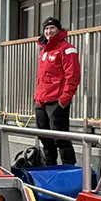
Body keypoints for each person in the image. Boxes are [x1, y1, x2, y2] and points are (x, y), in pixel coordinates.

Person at [33, 15, 81, 166]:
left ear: (59, 30)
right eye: (46, 29)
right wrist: (37, 98)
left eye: (52, 28)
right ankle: (50, 166)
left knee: (60, 137)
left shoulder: (67, 49)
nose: (49, 31)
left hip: (57, 101)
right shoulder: (44, 51)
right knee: (44, 137)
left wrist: (64, 99)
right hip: (41, 100)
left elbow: (72, 76)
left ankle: (69, 167)